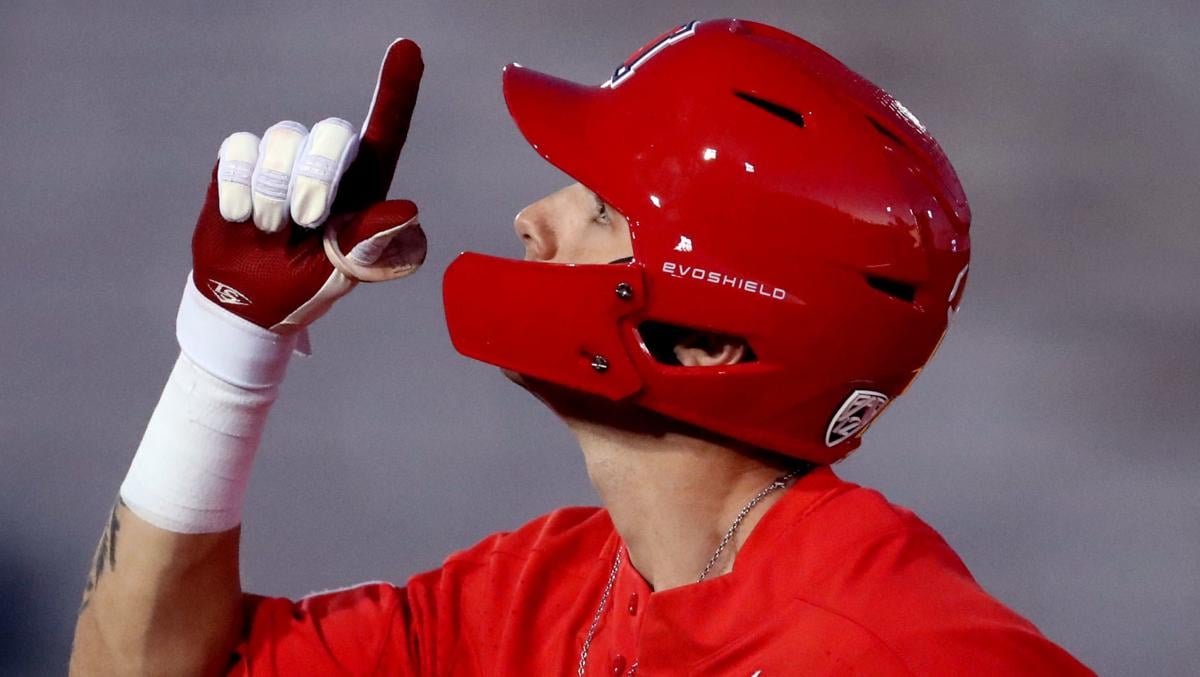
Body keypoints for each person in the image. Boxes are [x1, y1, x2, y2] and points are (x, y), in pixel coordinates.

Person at [69, 18, 1093, 676]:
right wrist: (225, 350)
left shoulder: (901, 647)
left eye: (602, 207)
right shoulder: (543, 593)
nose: (531, 220)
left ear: (709, 338)